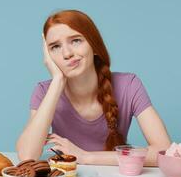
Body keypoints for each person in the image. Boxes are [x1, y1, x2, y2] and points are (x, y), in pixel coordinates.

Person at [16, 10, 171, 166]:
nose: (67, 53)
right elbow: (27, 156)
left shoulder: (129, 85)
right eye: (55, 47)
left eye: (76, 41)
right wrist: (57, 81)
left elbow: (164, 150)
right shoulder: (44, 91)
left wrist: (86, 157)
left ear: (94, 46)